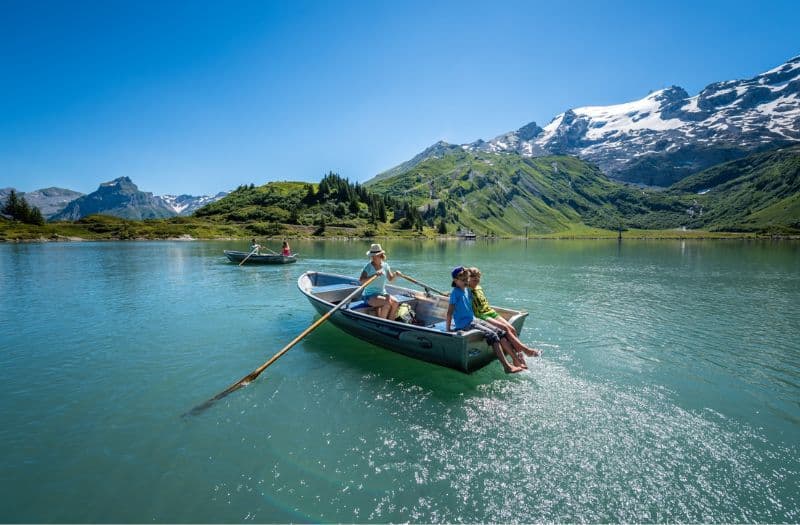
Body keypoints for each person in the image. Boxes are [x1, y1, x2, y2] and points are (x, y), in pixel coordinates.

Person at [446, 266, 525, 374]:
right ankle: (506, 366)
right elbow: (449, 313)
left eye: (466, 279)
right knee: (493, 335)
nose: (465, 282)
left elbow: (473, 290)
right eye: (463, 280)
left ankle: (516, 361)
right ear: (455, 281)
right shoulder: (455, 293)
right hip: (465, 324)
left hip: (474, 320)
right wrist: (448, 329)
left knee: (500, 332)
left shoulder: (467, 291)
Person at [467, 267, 541, 358]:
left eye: (478, 277)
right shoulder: (466, 290)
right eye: (473, 277)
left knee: (512, 329)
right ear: (468, 278)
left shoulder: (479, 288)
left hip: (490, 312)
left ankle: (520, 355)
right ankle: (526, 350)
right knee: (505, 328)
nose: (476, 279)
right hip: (481, 315)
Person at [359, 243, 402, 320]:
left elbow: (390, 279)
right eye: (372, 256)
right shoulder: (368, 267)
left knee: (396, 302)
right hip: (369, 295)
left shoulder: (385, 265)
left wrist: (396, 274)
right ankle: (382, 323)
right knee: (387, 302)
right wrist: (374, 275)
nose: (373, 257)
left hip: (382, 293)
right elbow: (361, 281)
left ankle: (391, 322)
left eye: (375, 255)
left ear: (380, 255)